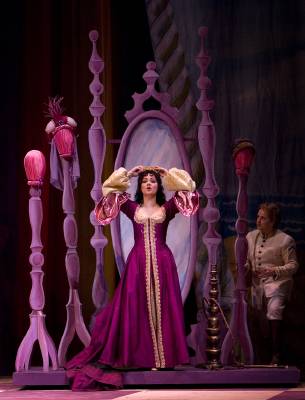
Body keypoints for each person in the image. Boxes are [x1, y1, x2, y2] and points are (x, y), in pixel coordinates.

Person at [65, 165, 199, 390]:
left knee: (163, 308)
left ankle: (163, 359)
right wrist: (129, 174)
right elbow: (109, 191)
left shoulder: (166, 208)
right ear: (140, 186)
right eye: (145, 180)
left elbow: (189, 193)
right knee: (136, 309)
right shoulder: (131, 208)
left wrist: (167, 175)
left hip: (163, 263)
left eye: (153, 181)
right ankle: (141, 357)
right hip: (137, 265)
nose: (148, 183)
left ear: (158, 186)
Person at [246, 203, 298, 365]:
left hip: (278, 284)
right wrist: (247, 268)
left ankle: (276, 355)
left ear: (273, 221)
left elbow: (293, 265)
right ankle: (258, 356)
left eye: (263, 218)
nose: (258, 221)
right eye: (258, 217)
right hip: (257, 285)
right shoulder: (250, 236)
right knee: (254, 315)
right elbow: (248, 260)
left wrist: (274, 270)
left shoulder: (285, 240)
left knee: (274, 310)